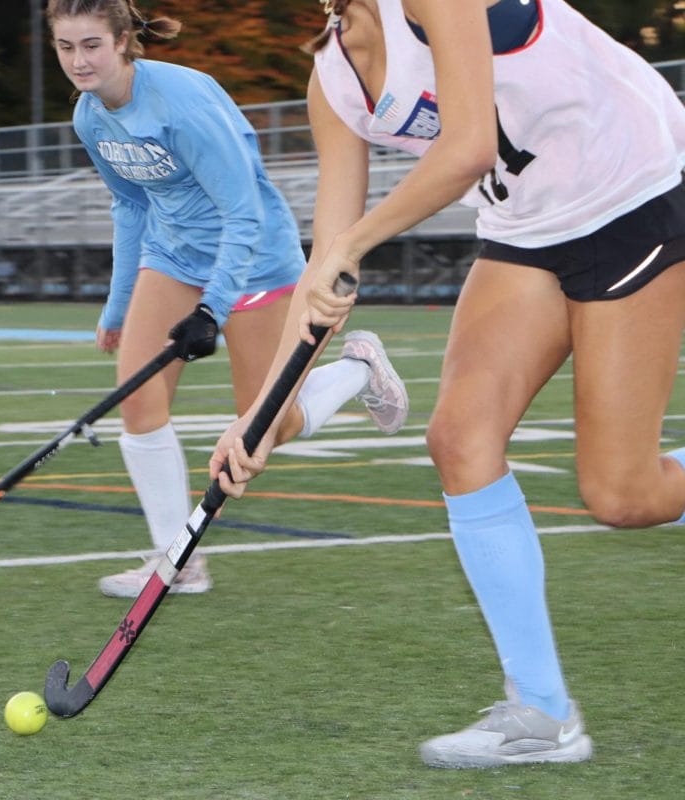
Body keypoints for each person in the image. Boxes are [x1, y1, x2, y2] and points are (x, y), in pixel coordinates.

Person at [212, 0, 685, 769]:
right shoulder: (331, 78)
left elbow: (465, 149)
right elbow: (324, 261)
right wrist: (265, 412)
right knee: (460, 438)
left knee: (623, 495)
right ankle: (543, 714)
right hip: (527, 227)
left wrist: (357, 245)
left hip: (626, 191)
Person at [47, 0, 410, 599]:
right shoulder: (91, 118)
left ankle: (358, 367)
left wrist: (212, 309)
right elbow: (132, 205)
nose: (79, 61)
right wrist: (117, 307)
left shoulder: (181, 105)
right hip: (173, 256)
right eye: (66, 48)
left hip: (254, 260)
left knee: (268, 423)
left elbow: (242, 213)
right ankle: (178, 560)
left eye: (91, 45)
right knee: (138, 403)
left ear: (121, 43)